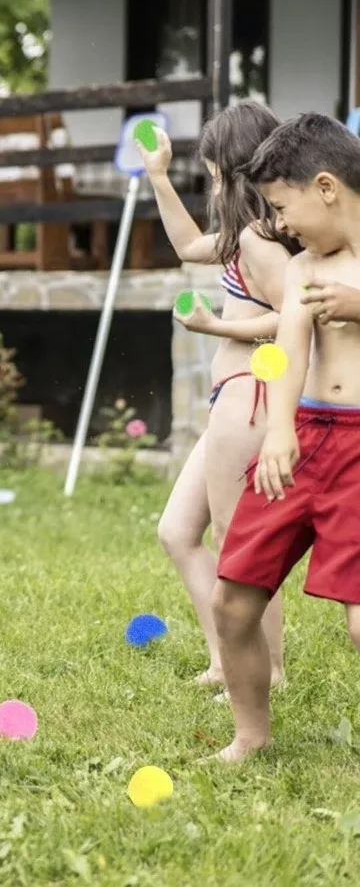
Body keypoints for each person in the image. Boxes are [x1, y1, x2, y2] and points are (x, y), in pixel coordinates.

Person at [212, 113, 360, 761]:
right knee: (232, 600)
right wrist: (277, 431)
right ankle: (251, 734)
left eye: (283, 205)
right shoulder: (302, 269)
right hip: (303, 438)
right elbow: (290, 351)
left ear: (325, 186)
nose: (282, 224)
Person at [138, 102, 300, 690]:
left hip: (251, 398)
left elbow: (293, 318)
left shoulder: (261, 241)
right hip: (231, 401)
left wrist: (215, 329)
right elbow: (186, 246)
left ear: (234, 172)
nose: (209, 183)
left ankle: (269, 669)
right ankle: (225, 657)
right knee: (177, 531)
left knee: (240, 548)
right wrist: (158, 175)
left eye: (211, 172)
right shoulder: (244, 236)